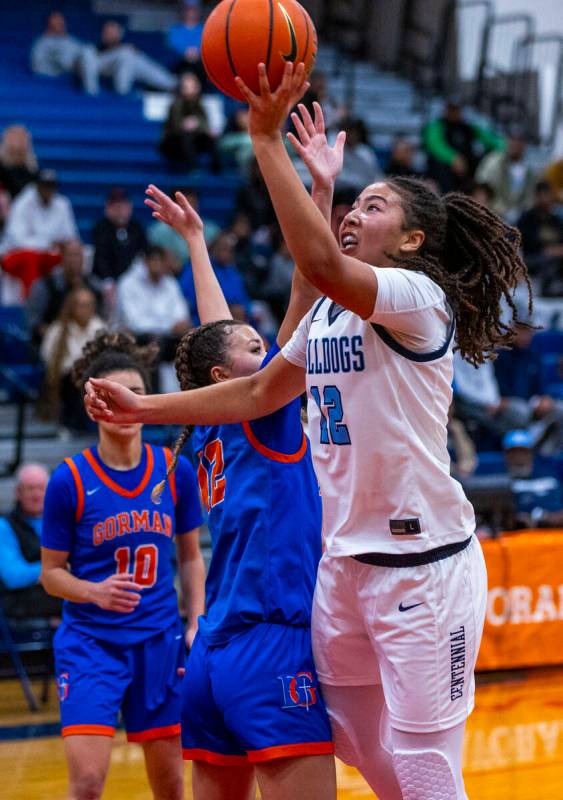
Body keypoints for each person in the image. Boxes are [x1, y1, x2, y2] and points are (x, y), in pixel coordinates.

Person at [84, 63, 534, 800]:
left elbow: (318, 264)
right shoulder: (326, 313)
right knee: (353, 735)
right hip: (342, 566)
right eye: (351, 205)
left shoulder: (416, 297)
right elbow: (260, 390)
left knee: (424, 764)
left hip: (422, 561)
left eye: (374, 206)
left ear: (413, 239)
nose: (355, 214)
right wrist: (144, 410)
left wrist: (266, 140)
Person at [141, 114, 340, 797]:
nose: (270, 354)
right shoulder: (266, 411)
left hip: (210, 655)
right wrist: (319, 191)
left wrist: (196, 241)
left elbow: (212, 339)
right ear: (230, 380)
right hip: (269, 640)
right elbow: (309, 288)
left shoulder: (204, 429)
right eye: (258, 350)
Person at [41, 329, 205, 800]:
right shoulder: (68, 481)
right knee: (89, 783)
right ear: (95, 403)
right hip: (92, 645)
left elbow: (191, 558)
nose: (126, 402)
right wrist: (93, 591)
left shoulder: (174, 470)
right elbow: (50, 575)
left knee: (172, 787)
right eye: (115, 393)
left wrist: (196, 621)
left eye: (136, 392)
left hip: (160, 642)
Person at [1, 169, 78, 297]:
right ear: (37, 185)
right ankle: (32, 300)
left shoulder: (62, 204)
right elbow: (18, 240)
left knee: (73, 256)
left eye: (51, 186)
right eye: (45, 186)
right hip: (16, 255)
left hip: (49, 255)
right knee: (30, 258)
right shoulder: (23, 202)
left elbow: (70, 236)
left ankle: (72, 298)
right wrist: (48, 243)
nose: (48, 190)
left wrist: (59, 245)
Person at [0, 464, 61, 620]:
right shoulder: (4, 525)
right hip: (21, 603)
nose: (36, 495)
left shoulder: (64, 520)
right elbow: (13, 576)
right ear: (18, 493)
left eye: (41, 488)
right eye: (30, 489)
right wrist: (56, 571)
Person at [39, 287, 105, 431]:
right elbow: (47, 357)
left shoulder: (99, 327)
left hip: (93, 378)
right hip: (66, 381)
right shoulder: (58, 329)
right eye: (82, 305)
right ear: (72, 307)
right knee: (74, 379)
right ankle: (69, 424)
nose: (86, 309)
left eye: (90, 305)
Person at [116, 244, 191, 363]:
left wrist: (177, 326)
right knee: (154, 342)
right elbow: (134, 323)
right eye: (154, 260)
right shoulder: (128, 283)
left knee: (189, 338)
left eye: (161, 261)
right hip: (135, 337)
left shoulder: (170, 283)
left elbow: (181, 316)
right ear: (145, 261)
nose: (158, 265)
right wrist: (168, 327)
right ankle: (152, 381)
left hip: (167, 337)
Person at [423, 97, 504, 193]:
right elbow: (435, 145)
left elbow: (491, 140)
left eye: (456, 109)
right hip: (444, 170)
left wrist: (505, 147)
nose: (454, 112)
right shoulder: (437, 126)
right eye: (451, 109)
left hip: (467, 169)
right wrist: (453, 158)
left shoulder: (467, 127)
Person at [179, 231, 251, 325]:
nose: (225, 253)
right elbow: (185, 297)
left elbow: (245, 301)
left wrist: (244, 309)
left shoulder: (234, 273)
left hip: (235, 319)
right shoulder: (196, 267)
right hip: (204, 318)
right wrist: (226, 308)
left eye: (229, 250)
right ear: (213, 248)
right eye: (222, 248)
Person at [160, 72, 221, 173]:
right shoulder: (175, 105)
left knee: (211, 137)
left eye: (192, 86)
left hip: (194, 138)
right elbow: (174, 127)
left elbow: (205, 124)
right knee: (186, 135)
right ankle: (193, 169)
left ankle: (217, 170)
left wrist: (197, 124)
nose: (190, 90)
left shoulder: (201, 104)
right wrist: (185, 125)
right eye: (186, 87)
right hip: (173, 141)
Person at [502, 429, 563, 529]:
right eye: (513, 452)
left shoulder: (551, 475)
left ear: (531, 452)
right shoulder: (499, 481)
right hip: (518, 534)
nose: (519, 456)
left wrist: (545, 518)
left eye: (523, 451)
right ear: (506, 454)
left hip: (556, 531)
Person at [96, 20, 177, 95]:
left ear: (119, 34)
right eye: (108, 33)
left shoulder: (127, 49)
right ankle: (121, 95)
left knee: (133, 56)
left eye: (114, 32)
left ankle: (173, 84)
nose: (110, 35)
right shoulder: (96, 49)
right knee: (126, 53)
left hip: (129, 65)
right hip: (107, 69)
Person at [30, 12, 98, 95]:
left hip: (79, 66)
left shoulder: (71, 40)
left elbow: (85, 54)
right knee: (87, 52)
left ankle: (93, 90)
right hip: (62, 66)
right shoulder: (42, 42)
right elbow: (36, 65)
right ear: (49, 24)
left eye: (61, 22)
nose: (59, 23)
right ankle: (91, 93)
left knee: (89, 49)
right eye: (55, 21)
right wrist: (55, 71)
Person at [475, 130, 536, 221]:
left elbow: (529, 198)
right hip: (492, 215)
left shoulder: (528, 171)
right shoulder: (493, 162)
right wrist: (500, 211)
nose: (515, 144)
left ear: (524, 145)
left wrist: (521, 213)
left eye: (519, 140)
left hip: (519, 220)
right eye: (512, 139)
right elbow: (481, 190)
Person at [517, 180, 563, 297]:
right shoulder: (526, 219)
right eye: (541, 195)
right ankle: (546, 291)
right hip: (533, 259)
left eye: (547, 195)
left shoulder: (555, 220)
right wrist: (547, 251)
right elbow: (522, 243)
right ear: (536, 197)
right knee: (547, 260)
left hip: (555, 258)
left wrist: (556, 250)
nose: (544, 199)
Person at [92, 187, 148, 283]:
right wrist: (108, 280)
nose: (119, 209)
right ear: (107, 208)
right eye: (115, 206)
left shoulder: (137, 228)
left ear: (130, 207)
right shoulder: (101, 228)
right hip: (104, 280)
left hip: (134, 279)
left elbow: (144, 254)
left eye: (123, 205)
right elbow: (100, 258)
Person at [166, 0, 206, 84]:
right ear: (183, 10)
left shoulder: (205, 29)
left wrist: (198, 53)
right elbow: (172, 48)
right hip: (180, 67)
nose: (191, 12)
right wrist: (185, 53)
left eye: (194, 9)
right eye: (188, 9)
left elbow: (207, 48)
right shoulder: (174, 30)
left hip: (200, 68)